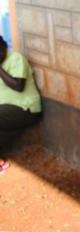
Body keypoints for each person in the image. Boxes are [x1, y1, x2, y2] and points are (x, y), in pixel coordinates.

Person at [0, 35, 42, 175]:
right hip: (5, 110)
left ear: (4, 47)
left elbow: (19, 86)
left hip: (25, 108)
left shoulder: (16, 58)